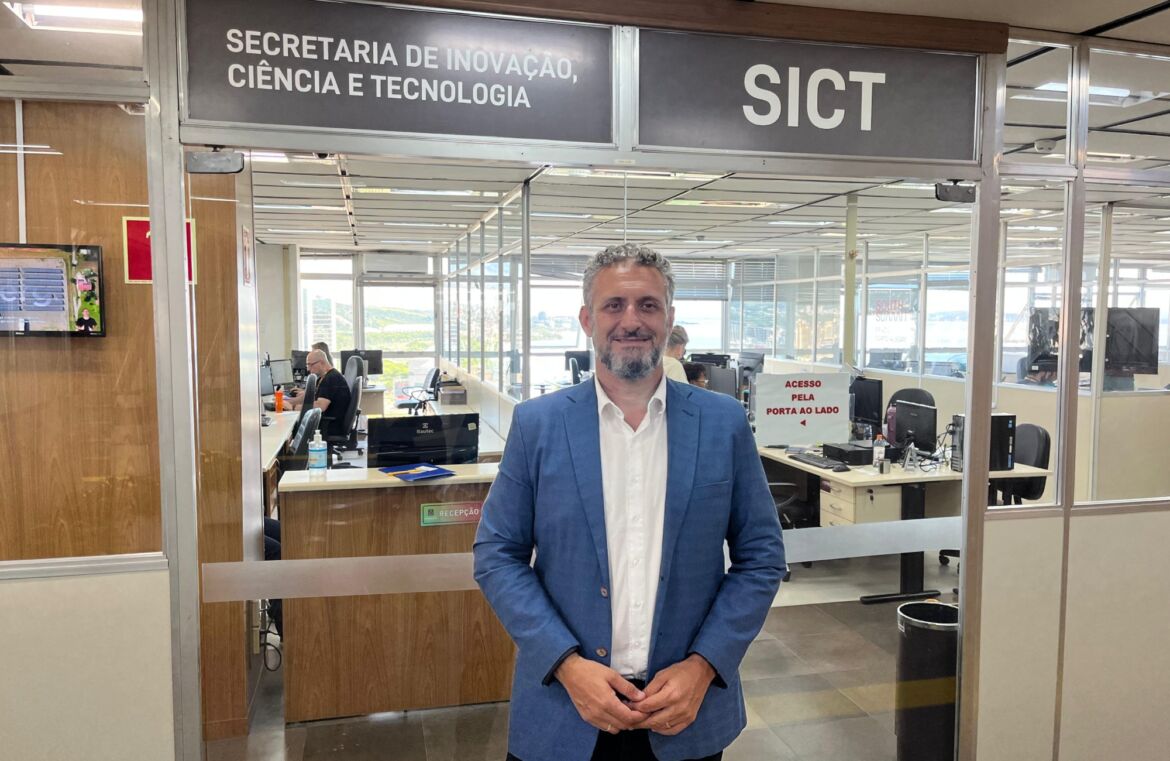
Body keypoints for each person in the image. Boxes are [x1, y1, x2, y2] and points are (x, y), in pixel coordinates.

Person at [474, 243, 785, 761]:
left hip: (685, 712)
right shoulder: (538, 424)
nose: (632, 321)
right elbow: (497, 555)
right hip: (565, 709)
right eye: (614, 305)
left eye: (648, 305)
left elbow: (762, 557)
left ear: (669, 318)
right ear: (587, 320)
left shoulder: (723, 423)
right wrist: (566, 664)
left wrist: (705, 665)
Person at [287, 349, 351, 438]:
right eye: (307, 365)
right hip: (325, 422)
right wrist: (287, 402)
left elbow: (320, 406)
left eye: (310, 364)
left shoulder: (331, 378)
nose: (308, 369)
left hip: (329, 426)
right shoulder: (322, 377)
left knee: (291, 427)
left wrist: (293, 407)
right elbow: (309, 397)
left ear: (321, 362)